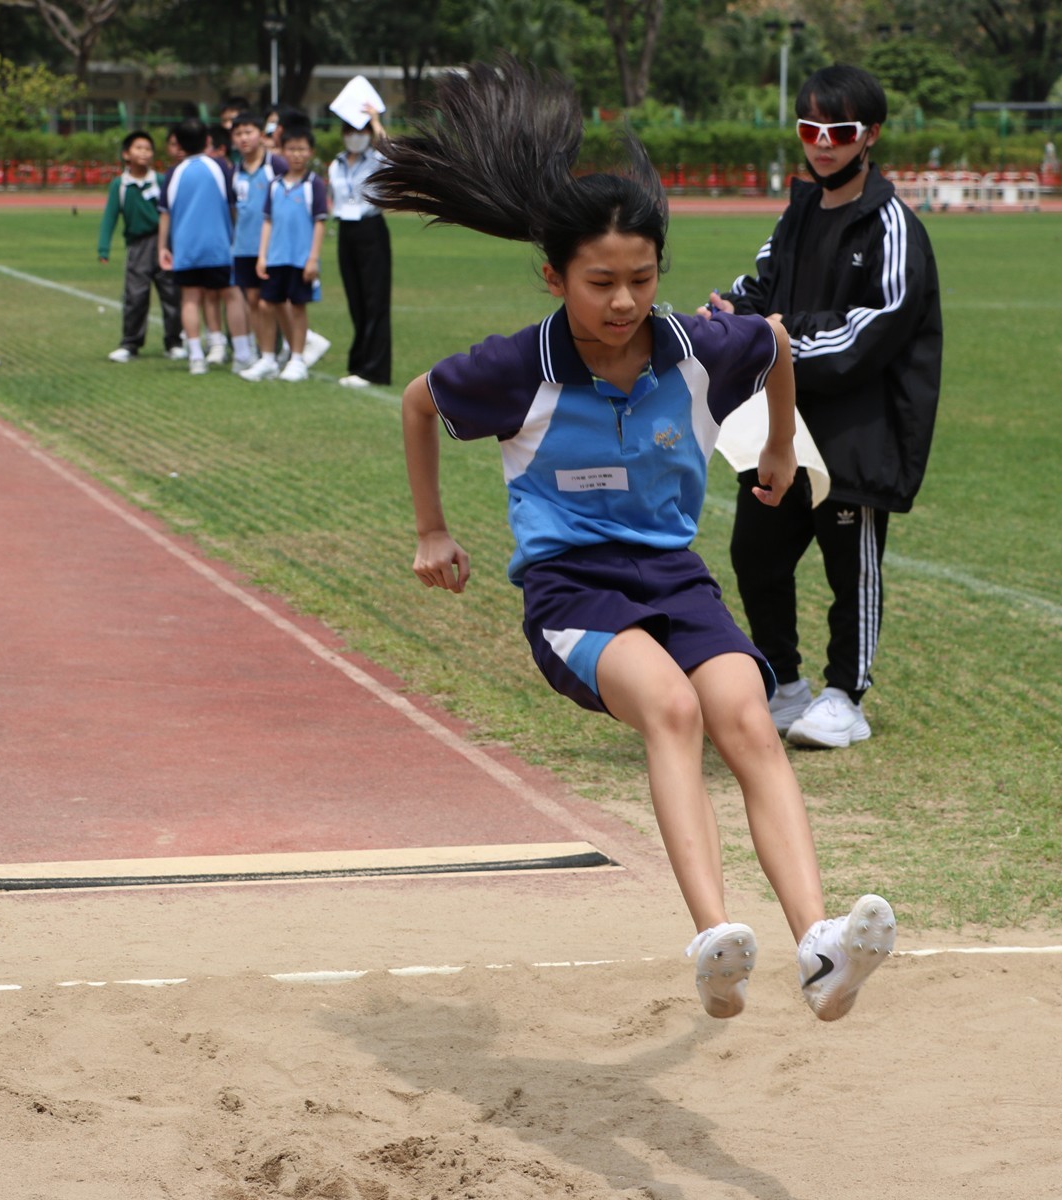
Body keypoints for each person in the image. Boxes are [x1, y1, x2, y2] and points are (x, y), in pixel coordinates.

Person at [379, 58, 896, 1023]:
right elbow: (417, 403)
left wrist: (779, 446)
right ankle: (714, 940)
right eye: (601, 283)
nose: (624, 302)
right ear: (554, 277)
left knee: (748, 714)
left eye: (642, 279)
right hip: (571, 591)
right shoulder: (517, 368)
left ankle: (820, 946)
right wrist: (431, 531)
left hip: (672, 578)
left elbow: (775, 341)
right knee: (673, 708)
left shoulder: (697, 348)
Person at [706, 64, 943, 750]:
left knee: (851, 567)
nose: (822, 143)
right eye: (810, 128)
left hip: (857, 430)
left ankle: (846, 695)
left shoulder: (893, 227)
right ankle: (784, 686)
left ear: (871, 135)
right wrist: (731, 315)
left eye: (838, 131)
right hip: (782, 425)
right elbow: (758, 286)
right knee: (755, 554)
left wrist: (775, 340)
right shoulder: (798, 212)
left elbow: (872, 330)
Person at [241, 119, 326, 383]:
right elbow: (267, 221)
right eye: (291, 149)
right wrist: (262, 256)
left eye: (301, 149)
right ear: (283, 151)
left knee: (297, 307)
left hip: (300, 258)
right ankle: (268, 358)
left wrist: (313, 258)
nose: (296, 154)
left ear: (310, 152)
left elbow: (320, 223)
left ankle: (297, 359)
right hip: (276, 257)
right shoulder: (275, 184)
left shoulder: (314, 184)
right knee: (267, 304)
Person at [155, 117, 236, 377]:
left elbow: (165, 213)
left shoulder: (174, 173)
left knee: (190, 300)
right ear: (208, 140)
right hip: (218, 245)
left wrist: (162, 247)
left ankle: (196, 356)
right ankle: (229, 348)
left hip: (186, 248)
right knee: (224, 295)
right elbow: (232, 205)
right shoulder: (219, 167)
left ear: (179, 144)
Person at [98, 130, 182, 363]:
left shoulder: (161, 181)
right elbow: (110, 217)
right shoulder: (120, 185)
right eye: (138, 148)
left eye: (148, 149)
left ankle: (174, 342)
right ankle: (130, 344)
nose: (144, 153)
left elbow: (173, 213)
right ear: (127, 154)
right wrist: (103, 248)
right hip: (137, 245)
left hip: (163, 242)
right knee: (135, 295)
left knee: (171, 293)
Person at [327, 104, 392, 388]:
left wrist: (376, 122)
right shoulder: (336, 163)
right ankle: (358, 364)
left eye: (361, 131)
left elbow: (394, 155)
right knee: (355, 298)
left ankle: (374, 370)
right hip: (346, 229)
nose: (355, 136)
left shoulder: (376, 159)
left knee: (374, 300)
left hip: (370, 229)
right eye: (351, 131)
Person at [224, 110, 283, 375]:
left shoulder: (275, 166)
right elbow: (234, 209)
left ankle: (293, 350)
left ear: (260, 134)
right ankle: (264, 353)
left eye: (248, 132)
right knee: (253, 301)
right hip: (244, 247)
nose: (244, 138)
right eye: (238, 134)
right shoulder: (234, 171)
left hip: (273, 247)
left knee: (278, 301)